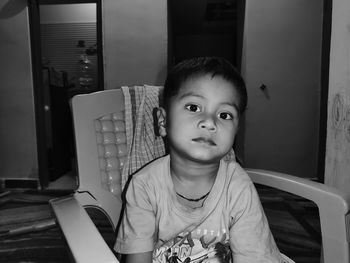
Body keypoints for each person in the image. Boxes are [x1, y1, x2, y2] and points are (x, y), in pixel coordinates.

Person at [114, 57, 293, 263]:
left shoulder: (237, 186)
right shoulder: (144, 186)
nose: (209, 122)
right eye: (193, 108)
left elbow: (254, 256)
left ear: (236, 130)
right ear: (163, 121)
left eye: (225, 115)